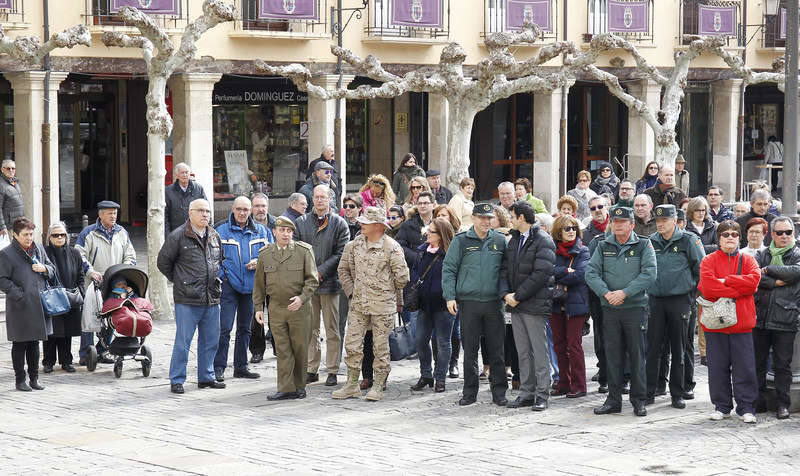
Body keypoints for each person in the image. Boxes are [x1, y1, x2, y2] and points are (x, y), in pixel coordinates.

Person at [586, 205, 657, 417]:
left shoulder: (644, 245)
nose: (617, 226)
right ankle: (613, 399)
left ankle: (639, 400)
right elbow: (591, 273)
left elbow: (649, 274)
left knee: (636, 355)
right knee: (613, 355)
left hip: (634, 309)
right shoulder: (603, 245)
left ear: (632, 224)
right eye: (615, 222)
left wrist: (624, 293)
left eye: (622, 222)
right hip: (610, 309)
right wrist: (606, 294)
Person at [333, 206, 410, 401]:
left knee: (380, 347)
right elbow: (343, 270)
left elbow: (402, 277)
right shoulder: (355, 244)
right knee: (352, 344)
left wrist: (384, 290)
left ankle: (378, 385)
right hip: (358, 305)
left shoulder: (392, 247)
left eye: (365, 223)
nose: (361, 225)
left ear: (378, 226)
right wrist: (352, 292)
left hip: (382, 306)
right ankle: (351, 385)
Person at [442, 203, 509, 407]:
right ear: (473, 218)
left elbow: (506, 271)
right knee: (470, 350)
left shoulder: (500, 240)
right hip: (469, 303)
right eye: (482, 218)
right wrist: (450, 296)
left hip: (493, 303)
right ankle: (469, 392)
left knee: (497, 350)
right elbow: (449, 269)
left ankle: (499, 392)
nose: (486, 222)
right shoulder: (461, 241)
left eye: (489, 218)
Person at [157, 199, 225, 395]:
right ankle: (177, 379)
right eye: (201, 211)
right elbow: (163, 262)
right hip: (187, 299)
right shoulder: (178, 236)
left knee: (210, 340)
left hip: (211, 296)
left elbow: (220, 260)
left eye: (207, 211)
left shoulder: (214, 235)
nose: (205, 214)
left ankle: (206, 376)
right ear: (190, 213)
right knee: (183, 342)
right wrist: (180, 281)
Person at [698, 220, 760, 423]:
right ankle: (722, 406)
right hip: (715, 324)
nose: (730, 237)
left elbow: (753, 284)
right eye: (726, 234)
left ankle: (746, 407)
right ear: (719, 238)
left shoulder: (749, 260)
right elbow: (708, 288)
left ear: (739, 237)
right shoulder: (708, 261)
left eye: (734, 234)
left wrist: (727, 280)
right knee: (717, 368)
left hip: (741, 324)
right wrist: (737, 286)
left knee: (745, 368)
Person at [253, 216, 319, 401]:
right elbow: (259, 284)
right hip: (276, 308)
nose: (286, 234)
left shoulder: (303, 251)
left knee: (299, 348)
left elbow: (312, 280)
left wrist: (302, 298)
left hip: (299, 309)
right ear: (274, 232)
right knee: (282, 349)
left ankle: (299, 386)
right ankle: (285, 387)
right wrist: (259, 308)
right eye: (282, 230)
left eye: (289, 231)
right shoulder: (265, 254)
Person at [646, 205, 705, 410]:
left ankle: (677, 393)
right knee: (653, 348)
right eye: (658, 220)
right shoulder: (651, 241)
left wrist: (691, 295)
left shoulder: (688, 240)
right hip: (655, 300)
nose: (660, 224)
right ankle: (650, 390)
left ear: (674, 220)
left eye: (664, 220)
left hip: (680, 299)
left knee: (679, 349)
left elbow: (701, 269)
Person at [501, 199, 556, 411]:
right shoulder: (514, 240)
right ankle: (526, 392)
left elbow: (541, 273)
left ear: (521, 217)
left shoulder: (543, 240)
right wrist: (506, 293)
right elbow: (505, 269)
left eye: (513, 217)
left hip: (534, 303)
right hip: (516, 303)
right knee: (522, 351)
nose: (511, 221)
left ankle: (542, 394)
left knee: (539, 351)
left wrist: (518, 296)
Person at [294, 185, 350, 386]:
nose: (319, 200)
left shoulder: (339, 224)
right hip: (308, 285)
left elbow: (341, 253)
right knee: (310, 329)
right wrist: (310, 273)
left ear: (329, 199)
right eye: (316, 197)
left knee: (332, 329)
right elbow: (295, 249)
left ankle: (333, 369)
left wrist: (322, 271)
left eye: (323, 197)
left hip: (331, 284)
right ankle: (311, 368)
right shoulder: (300, 223)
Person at [213, 196, 272, 382]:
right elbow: (213, 257)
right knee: (224, 328)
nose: (242, 213)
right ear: (232, 209)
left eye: (246, 209)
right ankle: (218, 367)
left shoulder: (262, 231)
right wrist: (223, 276)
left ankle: (241, 366)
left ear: (251, 211)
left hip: (251, 287)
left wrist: (260, 262)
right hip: (229, 286)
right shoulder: (220, 230)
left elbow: (272, 255)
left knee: (246, 328)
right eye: (239, 209)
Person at [75, 200, 136, 365]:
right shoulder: (89, 233)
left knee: (112, 315)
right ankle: (85, 353)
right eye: (109, 213)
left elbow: (130, 255)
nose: (113, 216)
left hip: (115, 283)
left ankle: (103, 350)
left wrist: (125, 271)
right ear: (101, 214)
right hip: (93, 283)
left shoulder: (122, 232)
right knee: (90, 317)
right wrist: (91, 271)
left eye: (115, 213)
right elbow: (79, 255)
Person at [0, 217, 56, 391]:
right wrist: (19, 294)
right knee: (20, 343)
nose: (29, 238)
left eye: (31, 234)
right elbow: (2, 279)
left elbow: (52, 268)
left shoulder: (38, 248)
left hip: (38, 304)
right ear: (15, 235)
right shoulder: (7, 253)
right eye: (25, 234)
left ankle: (34, 378)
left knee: (35, 343)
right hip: (19, 305)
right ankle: (20, 380)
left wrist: (45, 269)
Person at [754, 217, 800, 420]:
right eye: (779, 232)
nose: (784, 236)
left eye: (788, 232)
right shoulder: (762, 254)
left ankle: (783, 404)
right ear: (771, 234)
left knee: (782, 365)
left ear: (793, 233)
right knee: (758, 363)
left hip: (786, 317)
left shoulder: (797, 254)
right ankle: (759, 401)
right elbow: (754, 276)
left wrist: (769, 270)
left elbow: (795, 272)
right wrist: (775, 283)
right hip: (761, 317)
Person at [410, 218, 456, 393]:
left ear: (441, 235)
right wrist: (416, 283)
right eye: (427, 230)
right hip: (424, 304)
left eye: (431, 231)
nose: (427, 233)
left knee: (443, 342)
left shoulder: (451, 253)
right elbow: (414, 270)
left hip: (444, 305)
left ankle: (440, 378)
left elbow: (454, 275)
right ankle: (426, 374)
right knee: (421, 340)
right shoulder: (422, 251)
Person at [549, 215, 590, 400]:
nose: (571, 231)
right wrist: (565, 271)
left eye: (574, 227)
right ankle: (563, 384)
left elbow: (581, 275)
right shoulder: (551, 250)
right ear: (559, 231)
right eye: (567, 228)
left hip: (576, 304)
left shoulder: (583, 250)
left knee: (574, 345)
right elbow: (547, 273)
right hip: (556, 303)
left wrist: (559, 275)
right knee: (559, 345)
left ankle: (579, 385)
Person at [42, 222, 85, 374]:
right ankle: (48, 362)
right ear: (49, 238)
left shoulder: (74, 253)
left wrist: (80, 292)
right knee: (52, 332)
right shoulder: (44, 252)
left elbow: (80, 275)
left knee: (67, 332)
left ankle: (66, 361)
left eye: (62, 235)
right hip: (52, 297)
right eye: (55, 235)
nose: (59, 237)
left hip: (70, 296)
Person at [249, 192, 278, 364]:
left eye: (263, 206)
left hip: (274, 277)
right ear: (252, 208)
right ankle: (257, 351)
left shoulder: (277, 224)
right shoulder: (247, 224)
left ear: (268, 207)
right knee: (256, 316)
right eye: (257, 206)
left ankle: (278, 347)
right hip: (254, 278)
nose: (260, 210)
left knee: (276, 315)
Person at [165, 162, 208, 237]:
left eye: (186, 172)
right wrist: (168, 235)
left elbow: (206, 209)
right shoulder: (168, 191)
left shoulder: (198, 189)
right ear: (177, 175)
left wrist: (208, 230)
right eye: (182, 173)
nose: (185, 175)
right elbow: (165, 215)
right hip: (176, 233)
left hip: (196, 232)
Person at [397, 191, 436, 266]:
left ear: (433, 205)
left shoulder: (440, 224)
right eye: (419, 203)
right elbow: (400, 245)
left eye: (426, 203)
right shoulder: (407, 225)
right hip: (414, 266)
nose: (422, 206)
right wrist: (417, 258)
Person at [0, 159, 24, 239]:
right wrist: (2, 227)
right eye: (8, 168)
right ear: (2, 170)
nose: (11, 170)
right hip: (8, 227)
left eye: (13, 168)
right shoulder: (1, 185)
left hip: (18, 225)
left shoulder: (14, 182)